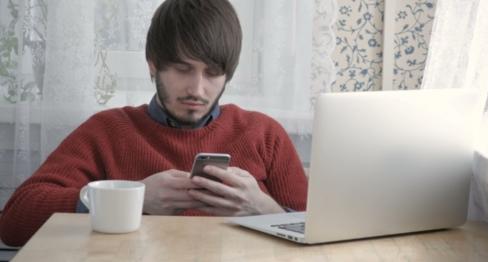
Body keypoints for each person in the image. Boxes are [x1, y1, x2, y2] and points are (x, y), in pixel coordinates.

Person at [0, 0, 307, 246]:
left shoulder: (264, 134)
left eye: (213, 73)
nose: (197, 89)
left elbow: (319, 236)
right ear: (153, 64)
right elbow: (14, 222)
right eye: (181, 69)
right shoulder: (108, 131)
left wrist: (264, 210)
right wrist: (130, 198)